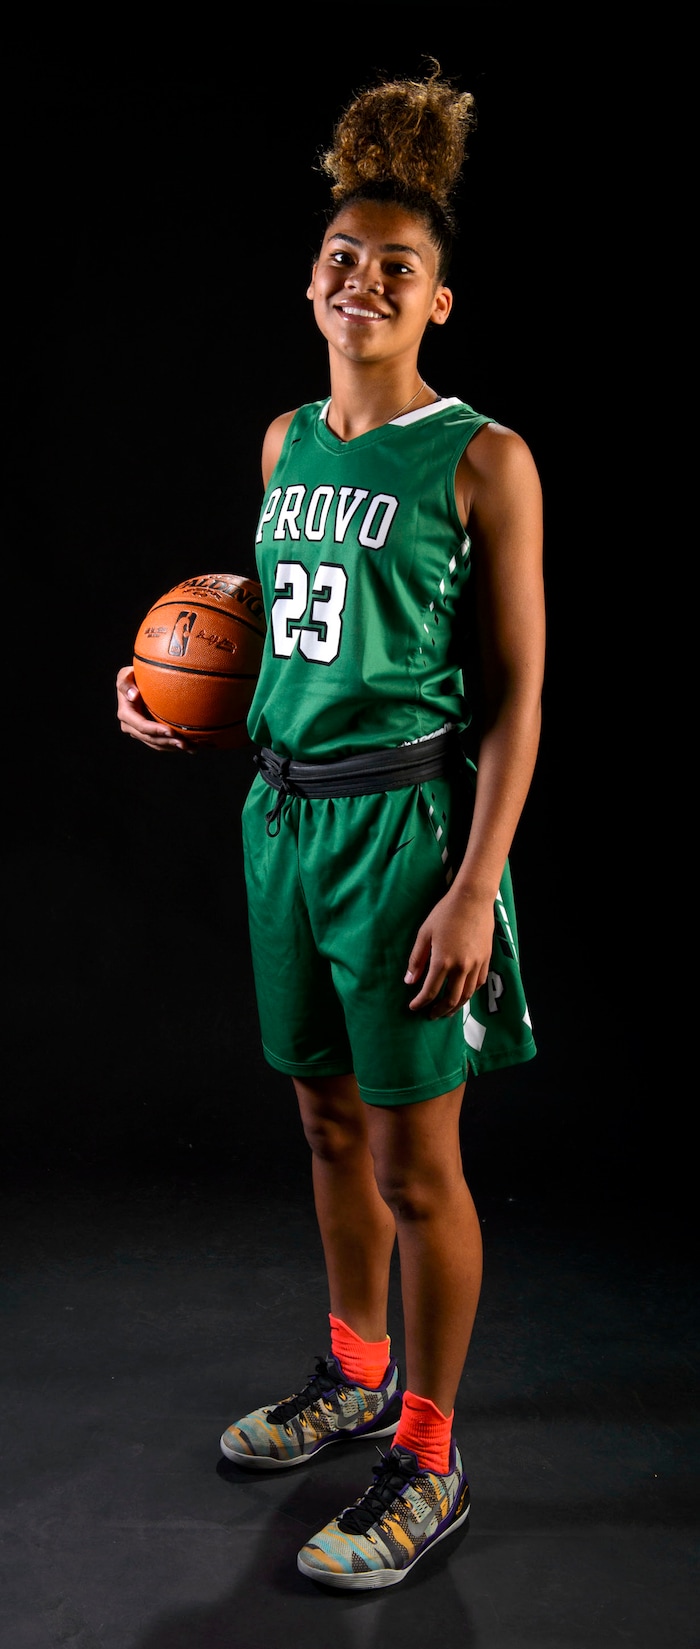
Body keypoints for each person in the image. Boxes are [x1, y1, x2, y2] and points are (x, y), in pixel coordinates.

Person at [116, 64, 545, 1591]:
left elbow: (514, 696)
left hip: (409, 842)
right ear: (314, 281)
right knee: (321, 1120)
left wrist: (477, 883)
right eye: (343, 259)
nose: (366, 279)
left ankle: (428, 1453)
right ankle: (355, 1368)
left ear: (441, 299)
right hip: (280, 824)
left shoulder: (482, 456)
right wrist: (163, 684)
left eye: (399, 267)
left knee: (420, 1162)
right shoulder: (285, 442)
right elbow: (266, 625)